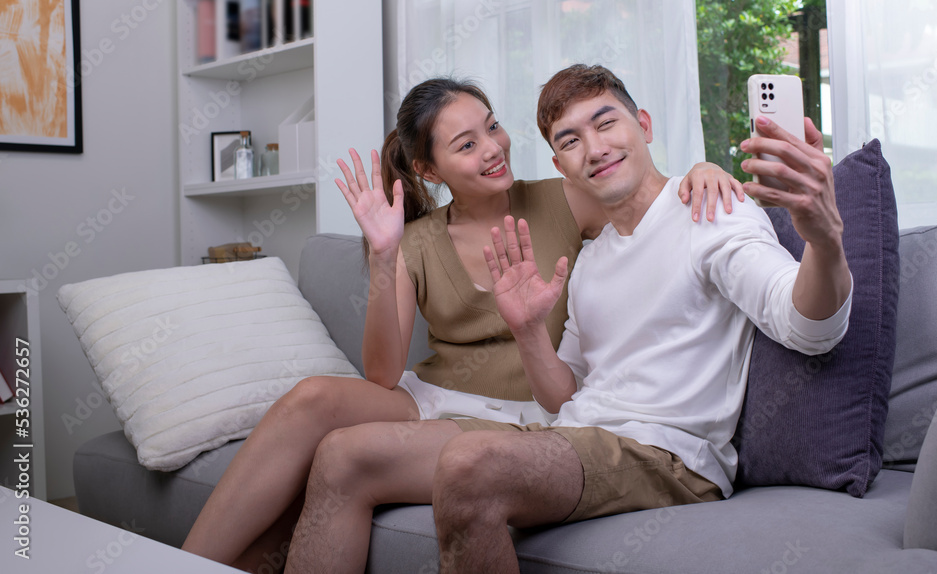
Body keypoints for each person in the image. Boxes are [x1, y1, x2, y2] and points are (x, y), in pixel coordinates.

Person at [282, 64, 853, 574]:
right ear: (560, 165)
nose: (595, 148)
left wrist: (824, 241)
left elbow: (808, 326)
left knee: (468, 463)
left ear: (644, 125)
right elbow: (561, 395)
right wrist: (530, 331)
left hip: (668, 456)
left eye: (606, 124)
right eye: (571, 140)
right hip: (575, 434)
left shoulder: (711, 210)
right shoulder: (592, 256)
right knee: (341, 455)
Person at [181, 77, 742, 571]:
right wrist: (382, 256)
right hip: (433, 398)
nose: (494, 149)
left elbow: (645, 193)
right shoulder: (416, 239)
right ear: (428, 169)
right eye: (467, 145)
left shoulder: (568, 199)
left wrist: (704, 168)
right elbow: (380, 374)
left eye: (492, 128)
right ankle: (178, 566)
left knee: (341, 457)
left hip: (529, 413)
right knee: (310, 400)